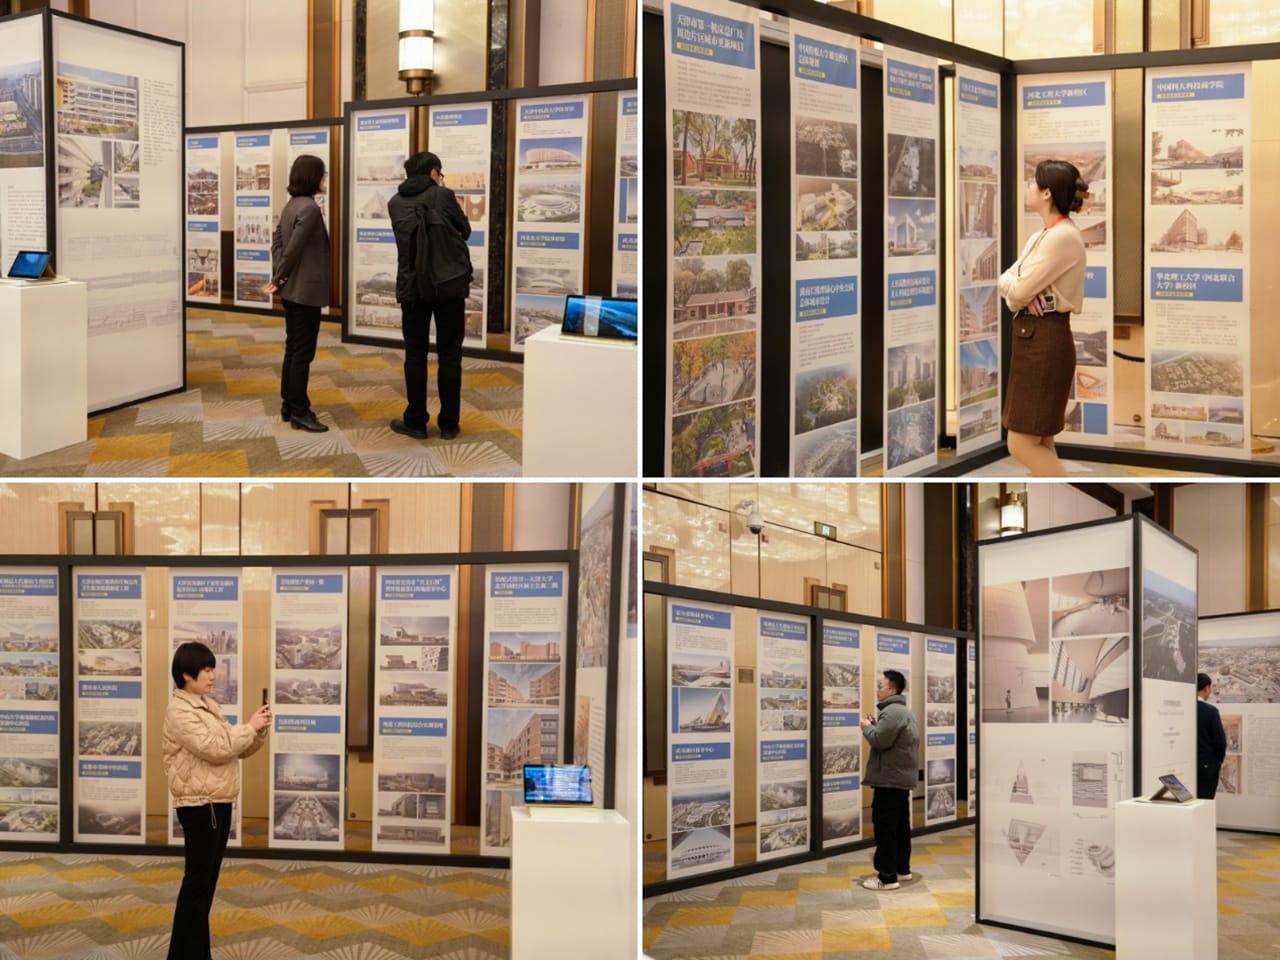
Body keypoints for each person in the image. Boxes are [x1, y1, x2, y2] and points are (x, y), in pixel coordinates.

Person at [163, 642, 271, 960]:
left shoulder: (207, 705)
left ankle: (190, 953)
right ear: (187, 674)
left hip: (217, 802)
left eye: (213, 669)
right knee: (198, 882)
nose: (213, 675)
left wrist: (258, 732)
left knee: (206, 882)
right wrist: (248, 728)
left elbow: (234, 749)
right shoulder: (179, 710)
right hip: (199, 805)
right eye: (207, 670)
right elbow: (215, 748)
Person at [997, 160, 1089, 477]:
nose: (1029, 187)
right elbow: (1006, 280)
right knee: (1041, 440)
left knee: (1020, 444)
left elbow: (1018, 291)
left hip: (1044, 342)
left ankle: (1065, 490)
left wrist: (1019, 292)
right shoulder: (1042, 235)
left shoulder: (1061, 237)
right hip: (1034, 338)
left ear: (1047, 193)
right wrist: (1018, 291)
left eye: (1033, 183)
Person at [387, 151, 472, 441]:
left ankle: (416, 421)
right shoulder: (442, 195)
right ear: (434, 172)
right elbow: (465, 230)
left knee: (415, 354)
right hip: (447, 286)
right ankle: (448, 424)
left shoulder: (394, 203)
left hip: (412, 287)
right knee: (450, 354)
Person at [268, 154, 332, 433]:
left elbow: (277, 243)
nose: (324, 179)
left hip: (292, 290)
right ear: (312, 177)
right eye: (323, 174)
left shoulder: (291, 205)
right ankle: (299, 410)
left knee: (293, 348)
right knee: (302, 352)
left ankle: (288, 404)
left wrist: (280, 276)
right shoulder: (310, 208)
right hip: (304, 292)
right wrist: (279, 276)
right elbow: (292, 249)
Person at [859, 669, 919, 890]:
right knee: (900, 827)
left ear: (892, 690)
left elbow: (880, 741)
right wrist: (876, 727)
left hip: (889, 781)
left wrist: (866, 728)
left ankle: (886, 878)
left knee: (885, 829)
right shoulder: (903, 712)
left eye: (881, 686)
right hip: (898, 780)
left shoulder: (892, 712)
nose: (878, 690)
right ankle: (902, 870)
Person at [1196, 672, 1227, 799]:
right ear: (1206, 688)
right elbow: (1220, 742)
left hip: (1187, 764)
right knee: (1205, 802)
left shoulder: (1183, 709)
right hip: (1207, 765)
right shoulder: (1211, 711)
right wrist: (1218, 761)